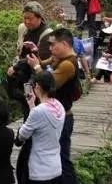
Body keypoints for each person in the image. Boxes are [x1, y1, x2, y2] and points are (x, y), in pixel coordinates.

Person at [26, 29, 80, 184]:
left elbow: (50, 83)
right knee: (54, 158)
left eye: (52, 45)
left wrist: (37, 67)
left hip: (62, 117)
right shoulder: (59, 59)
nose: (50, 48)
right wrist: (35, 57)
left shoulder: (68, 64)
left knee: (63, 159)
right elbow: (45, 63)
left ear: (64, 44)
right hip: (54, 115)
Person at [5, 2, 53, 120]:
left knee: (33, 110)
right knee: (25, 106)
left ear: (39, 18)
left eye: (30, 19)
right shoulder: (24, 29)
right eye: (25, 18)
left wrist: (16, 67)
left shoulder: (47, 34)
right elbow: (20, 51)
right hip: (23, 74)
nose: (27, 22)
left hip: (37, 78)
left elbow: (41, 61)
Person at [16, 71, 65, 184]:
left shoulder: (39, 111)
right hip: (55, 167)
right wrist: (32, 104)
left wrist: (32, 109)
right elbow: (42, 122)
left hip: (39, 170)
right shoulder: (59, 106)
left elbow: (23, 134)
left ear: (37, 86)